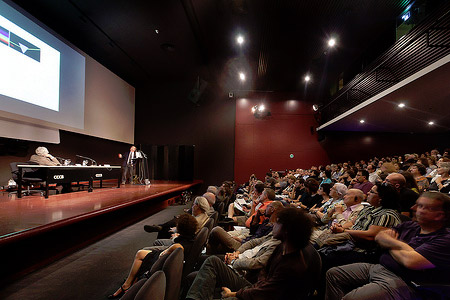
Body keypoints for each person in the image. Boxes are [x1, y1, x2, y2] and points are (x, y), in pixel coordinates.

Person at [325, 192, 450, 300]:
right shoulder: (410, 226)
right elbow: (379, 236)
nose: (413, 208)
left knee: (352, 298)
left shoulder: (445, 239)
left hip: (403, 281)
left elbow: (410, 261)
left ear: (439, 215)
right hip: (380, 267)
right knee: (334, 274)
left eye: (423, 207)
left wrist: (390, 245)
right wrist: (402, 247)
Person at [186, 207, 314, 300]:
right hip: (253, 284)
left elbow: (264, 293)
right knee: (209, 263)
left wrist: (234, 294)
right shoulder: (282, 248)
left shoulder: (291, 265)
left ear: (286, 230)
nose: (274, 224)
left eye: (278, 222)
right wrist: (237, 253)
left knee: (211, 267)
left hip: (254, 290)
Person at [107, 213, 198, 299]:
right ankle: (130, 284)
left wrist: (172, 242)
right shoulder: (191, 239)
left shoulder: (178, 246)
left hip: (163, 260)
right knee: (141, 254)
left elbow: (166, 253)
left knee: (140, 254)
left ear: (181, 229)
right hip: (169, 259)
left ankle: (127, 285)